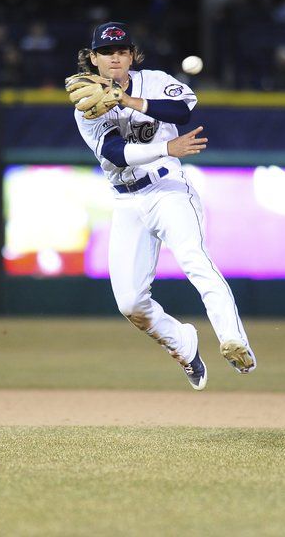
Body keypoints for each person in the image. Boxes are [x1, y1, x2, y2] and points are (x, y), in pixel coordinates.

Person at [68, 22, 256, 390]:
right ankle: (183, 345)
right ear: (93, 58)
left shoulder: (153, 81)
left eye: (122, 51)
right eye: (106, 52)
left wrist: (128, 101)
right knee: (131, 304)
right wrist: (166, 147)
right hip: (126, 201)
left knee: (194, 259)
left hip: (168, 189)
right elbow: (115, 153)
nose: (115, 58)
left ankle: (233, 339)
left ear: (132, 55)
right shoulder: (85, 106)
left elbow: (181, 112)